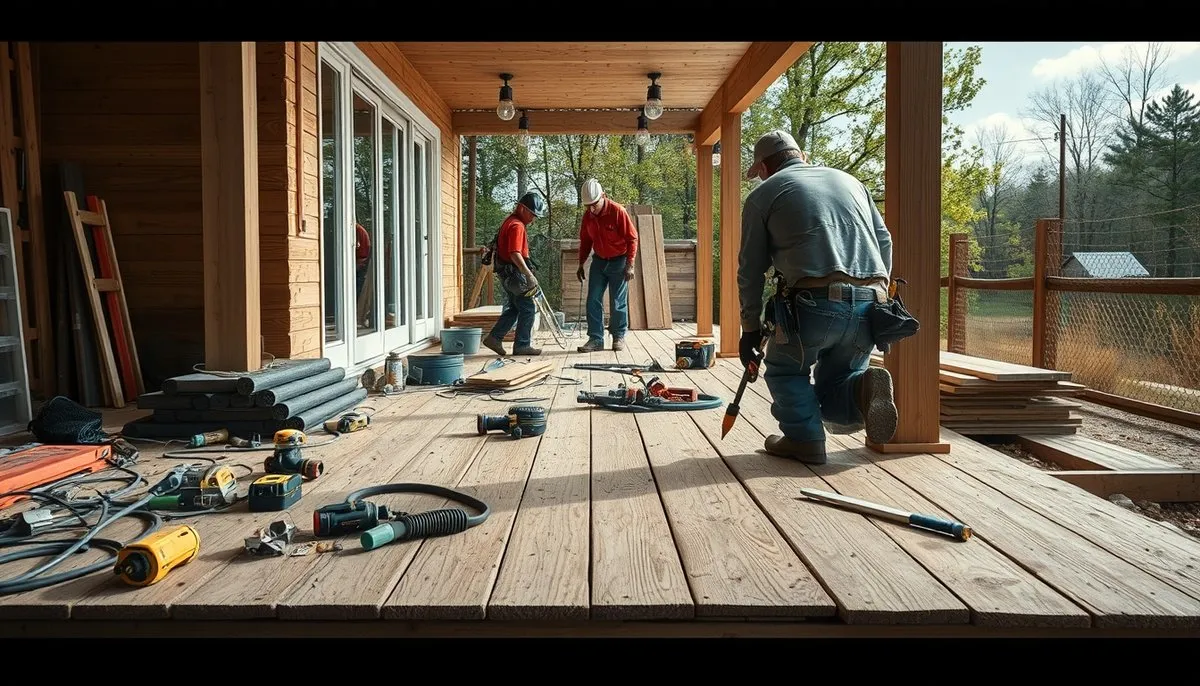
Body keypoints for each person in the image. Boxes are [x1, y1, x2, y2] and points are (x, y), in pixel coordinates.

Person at [737, 130, 898, 465]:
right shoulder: (851, 182)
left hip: (811, 304)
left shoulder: (763, 194)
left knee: (786, 370)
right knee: (839, 379)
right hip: (870, 303)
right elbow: (884, 240)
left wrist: (749, 328)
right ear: (802, 157)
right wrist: (880, 290)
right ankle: (862, 388)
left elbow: (750, 269)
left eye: (759, 172)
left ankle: (804, 439)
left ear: (763, 167)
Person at [574, 178, 638, 353]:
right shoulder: (588, 216)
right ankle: (596, 339)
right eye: (587, 206)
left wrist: (630, 264)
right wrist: (581, 263)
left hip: (619, 261)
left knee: (617, 302)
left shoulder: (618, 212)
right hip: (599, 261)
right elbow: (585, 241)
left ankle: (618, 336)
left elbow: (632, 239)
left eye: (594, 205)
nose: (591, 209)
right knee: (593, 299)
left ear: (603, 196)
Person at [482, 191, 547, 357]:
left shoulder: (509, 221)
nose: (533, 219)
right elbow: (514, 254)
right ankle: (522, 345)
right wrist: (528, 274)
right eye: (532, 214)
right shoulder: (517, 226)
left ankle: (494, 338)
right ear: (522, 208)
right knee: (528, 308)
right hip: (513, 274)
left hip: (505, 273)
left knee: (514, 308)